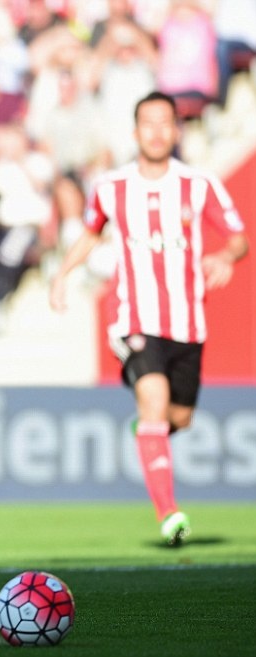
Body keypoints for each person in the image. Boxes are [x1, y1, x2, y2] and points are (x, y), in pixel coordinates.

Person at [49, 90, 249, 547]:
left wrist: (225, 257)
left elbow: (238, 238)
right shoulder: (112, 187)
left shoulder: (199, 185)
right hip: (134, 318)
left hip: (188, 322)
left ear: (176, 130)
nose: (157, 132)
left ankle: (150, 432)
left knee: (179, 416)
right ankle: (169, 514)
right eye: (148, 123)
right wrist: (61, 275)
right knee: (154, 398)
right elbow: (91, 233)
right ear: (135, 131)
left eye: (165, 123)